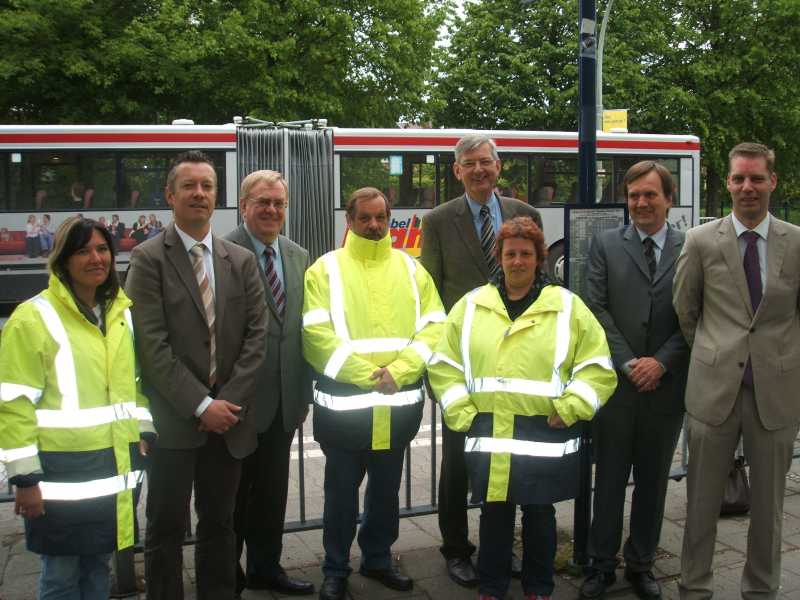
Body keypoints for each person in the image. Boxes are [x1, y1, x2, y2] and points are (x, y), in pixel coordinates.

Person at [429, 216, 616, 600]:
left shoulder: (567, 307)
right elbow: (443, 365)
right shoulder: (471, 306)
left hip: (543, 434)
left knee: (539, 515)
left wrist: (573, 406)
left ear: (540, 258)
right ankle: (491, 588)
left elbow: (597, 367)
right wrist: (461, 411)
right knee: (494, 515)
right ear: (498, 256)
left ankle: (538, 589)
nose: (517, 261)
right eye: (510, 253)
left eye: (526, 254)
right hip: (489, 432)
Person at [125, 151, 268, 600]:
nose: (200, 194)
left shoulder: (240, 260)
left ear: (217, 197)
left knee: (220, 527)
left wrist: (226, 404)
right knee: (165, 528)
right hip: (174, 422)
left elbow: (255, 339)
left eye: (207, 186)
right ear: (170, 195)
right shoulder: (148, 259)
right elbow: (151, 347)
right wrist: (201, 405)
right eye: (189, 186)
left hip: (228, 422)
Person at [0, 217, 154, 600]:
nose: (95, 259)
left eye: (102, 249)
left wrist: (144, 430)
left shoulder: (120, 315)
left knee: (97, 568)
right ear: (63, 260)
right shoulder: (33, 316)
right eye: (83, 250)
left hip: (110, 468)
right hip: (58, 476)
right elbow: (14, 404)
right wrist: (24, 479)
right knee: (61, 575)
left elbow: (133, 385)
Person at [302, 187, 445, 600]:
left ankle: (378, 559)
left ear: (389, 219)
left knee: (386, 493)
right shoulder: (324, 270)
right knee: (341, 496)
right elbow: (315, 335)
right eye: (364, 218)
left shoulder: (412, 270)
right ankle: (335, 568)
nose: (373, 225)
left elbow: (435, 326)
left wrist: (399, 372)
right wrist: (370, 375)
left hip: (397, 409)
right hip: (345, 414)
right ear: (349, 221)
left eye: (380, 217)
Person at [673, 142, 800, 600]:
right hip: (714, 389)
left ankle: (762, 590)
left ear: (772, 182)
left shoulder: (797, 241)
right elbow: (686, 310)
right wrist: (714, 353)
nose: (748, 187)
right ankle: (695, 587)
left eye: (757, 178)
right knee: (702, 503)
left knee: (769, 508)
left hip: (777, 394)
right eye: (739, 179)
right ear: (728, 182)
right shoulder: (701, 240)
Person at [419, 133, 543, 586]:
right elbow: (430, 296)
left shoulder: (523, 214)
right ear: (457, 171)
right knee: (456, 462)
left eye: (485, 162)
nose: (478, 170)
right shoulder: (437, 221)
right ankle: (455, 548)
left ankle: (498, 546)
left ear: (498, 165)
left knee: (506, 459)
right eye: (468, 163)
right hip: (465, 363)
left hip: (517, 362)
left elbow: (539, 281)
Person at [580, 162, 690, 600]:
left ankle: (641, 564)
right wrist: (629, 364)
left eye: (650, 194)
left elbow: (697, 314)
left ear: (669, 197)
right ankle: (600, 565)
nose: (641, 203)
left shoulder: (691, 246)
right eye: (633, 195)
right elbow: (595, 309)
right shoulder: (606, 244)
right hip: (619, 389)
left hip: (666, 387)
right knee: (607, 482)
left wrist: (661, 363)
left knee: (653, 483)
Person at [222, 170, 315, 597]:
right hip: (237, 402)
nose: (272, 210)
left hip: (283, 400)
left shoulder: (298, 255)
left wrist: (302, 394)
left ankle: (265, 567)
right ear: (244, 205)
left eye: (279, 203)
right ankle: (229, 577)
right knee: (233, 498)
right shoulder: (221, 252)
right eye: (263, 202)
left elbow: (299, 330)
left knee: (273, 494)